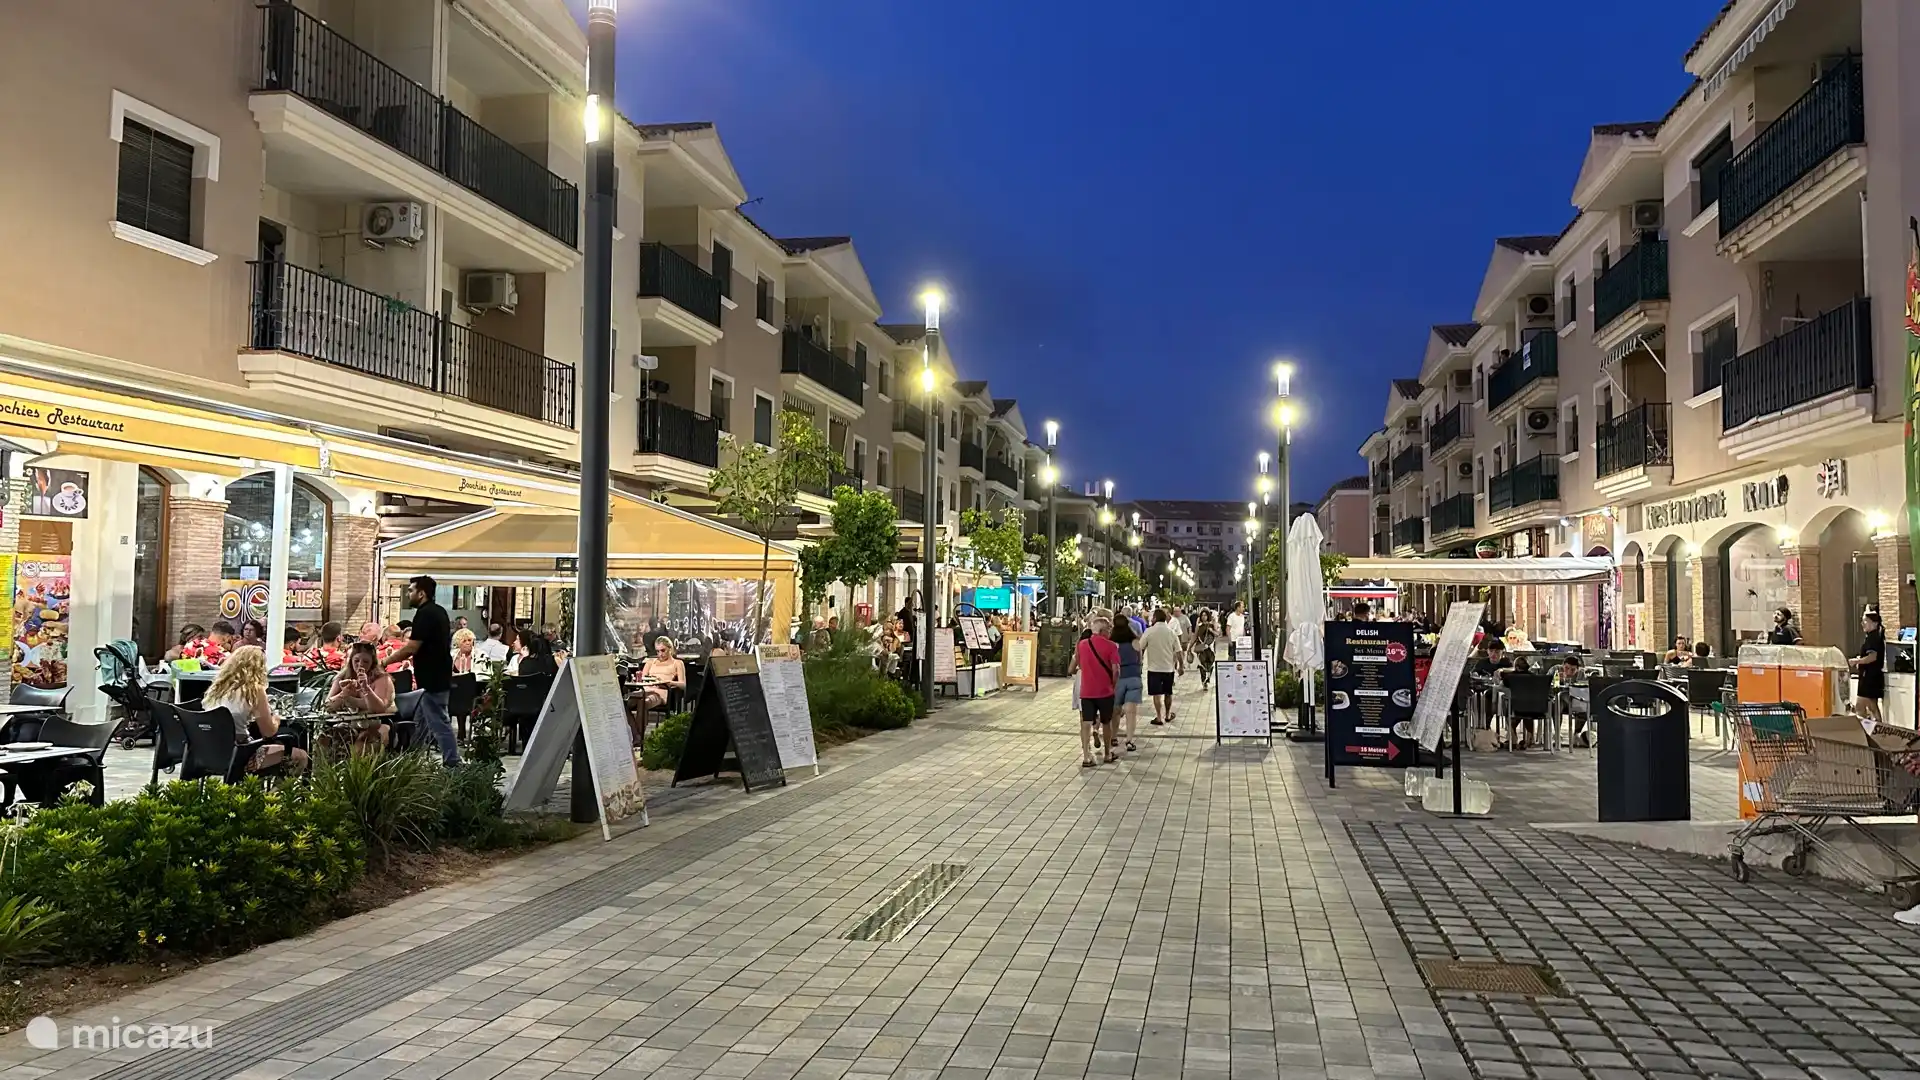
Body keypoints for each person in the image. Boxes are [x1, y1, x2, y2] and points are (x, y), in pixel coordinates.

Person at [383, 576, 459, 767]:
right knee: (421, 722)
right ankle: (411, 762)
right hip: (436, 675)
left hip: (433, 678)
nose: (408, 593)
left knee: (439, 722)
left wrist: (384, 661)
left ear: (421, 593)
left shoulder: (425, 615)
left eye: (411, 590)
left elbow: (412, 647)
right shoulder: (439, 612)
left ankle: (452, 763)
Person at [203, 645, 307, 774]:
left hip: (209, 751)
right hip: (240, 754)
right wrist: (276, 719)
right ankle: (274, 794)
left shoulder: (217, 689)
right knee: (300, 756)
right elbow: (268, 732)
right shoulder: (254, 690)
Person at [1069, 617, 1122, 766]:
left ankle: (1086, 756)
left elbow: (1078, 664)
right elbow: (1116, 670)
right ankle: (1107, 754)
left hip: (1086, 691)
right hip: (1105, 691)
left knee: (1086, 723)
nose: (1110, 631)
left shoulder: (1082, 645)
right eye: (1109, 629)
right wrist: (1113, 684)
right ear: (1102, 631)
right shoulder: (1112, 646)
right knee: (1106, 722)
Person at [326, 640, 396, 753]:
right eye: (356, 660)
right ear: (351, 661)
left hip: (376, 723)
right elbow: (328, 706)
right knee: (325, 738)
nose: (360, 664)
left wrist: (366, 688)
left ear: (372, 663)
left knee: (362, 742)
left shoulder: (382, 679)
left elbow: (379, 709)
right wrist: (344, 694)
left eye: (366, 661)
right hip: (348, 724)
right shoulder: (342, 678)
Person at [1140, 608, 1183, 727]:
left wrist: (1140, 661)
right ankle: (1168, 715)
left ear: (1154, 618)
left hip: (1153, 668)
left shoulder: (1149, 631)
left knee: (1156, 694)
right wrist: (1181, 666)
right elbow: (1179, 651)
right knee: (1168, 693)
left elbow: (1141, 647)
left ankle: (1159, 717)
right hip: (1168, 668)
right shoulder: (1171, 632)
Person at [1108, 617, 1143, 753]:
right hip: (1134, 677)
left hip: (1118, 679)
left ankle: (1113, 737)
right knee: (1131, 712)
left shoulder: (1111, 644)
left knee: (1115, 710)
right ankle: (1129, 740)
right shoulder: (1135, 642)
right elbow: (1140, 660)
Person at [1850, 610, 1885, 721]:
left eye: (1865, 621)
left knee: (1860, 706)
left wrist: (1857, 661)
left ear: (1874, 623)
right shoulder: (1872, 637)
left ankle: (1864, 731)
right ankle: (1878, 731)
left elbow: (1872, 657)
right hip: (1870, 676)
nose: (1863, 623)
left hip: (1869, 677)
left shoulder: (1873, 638)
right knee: (1872, 707)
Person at [1192, 612, 1218, 690]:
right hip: (1201, 648)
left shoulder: (1212, 624)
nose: (1204, 617)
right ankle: (1204, 683)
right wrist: (1190, 647)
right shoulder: (1199, 626)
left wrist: (1211, 630)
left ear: (1208, 616)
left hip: (1210, 648)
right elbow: (1195, 636)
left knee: (1210, 664)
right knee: (1202, 665)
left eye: (1205, 615)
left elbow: (1217, 634)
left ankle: (1208, 678)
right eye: (1202, 615)